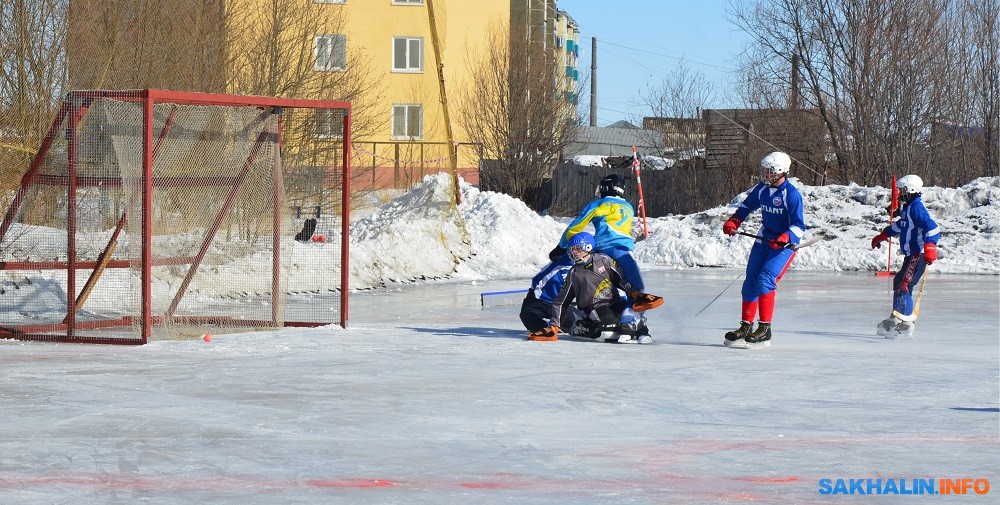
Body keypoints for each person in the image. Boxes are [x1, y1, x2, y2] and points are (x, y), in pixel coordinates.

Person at [721, 151, 806, 349]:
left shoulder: (791, 195)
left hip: (784, 246)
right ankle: (745, 326)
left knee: (765, 280)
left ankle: (765, 329)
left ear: (781, 172)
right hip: (764, 240)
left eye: (769, 171)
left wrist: (785, 237)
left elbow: (799, 226)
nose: (765, 174)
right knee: (750, 281)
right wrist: (734, 220)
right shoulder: (762, 189)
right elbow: (746, 206)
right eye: (765, 171)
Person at [547, 174, 662, 312]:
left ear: (605, 188)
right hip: (624, 251)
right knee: (635, 288)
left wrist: (561, 247)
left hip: (601, 251)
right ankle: (630, 319)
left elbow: (575, 227)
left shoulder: (598, 205)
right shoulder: (628, 207)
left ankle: (564, 304)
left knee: (589, 280)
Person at [528, 232, 659, 344]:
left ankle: (641, 331)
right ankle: (582, 325)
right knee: (609, 328)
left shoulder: (604, 260)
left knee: (630, 317)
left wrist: (634, 293)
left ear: (588, 247)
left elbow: (620, 280)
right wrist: (555, 325)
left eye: (577, 249)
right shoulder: (573, 273)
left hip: (614, 301)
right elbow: (561, 301)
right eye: (572, 249)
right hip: (594, 307)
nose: (574, 252)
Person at [870, 174, 940, 339]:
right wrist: (882, 235)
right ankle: (896, 316)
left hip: (919, 253)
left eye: (902, 190)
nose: (900, 193)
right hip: (911, 255)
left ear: (912, 189)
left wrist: (930, 246)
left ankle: (907, 321)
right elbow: (899, 226)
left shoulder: (916, 207)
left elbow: (933, 228)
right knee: (899, 281)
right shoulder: (908, 208)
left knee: (905, 285)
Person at [519, 253, 576, 333]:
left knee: (578, 325)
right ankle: (544, 325)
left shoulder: (589, 265)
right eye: (575, 249)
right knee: (528, 316)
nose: (577, 252)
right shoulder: (565, 257)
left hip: (560, 305)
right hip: (538, 299)